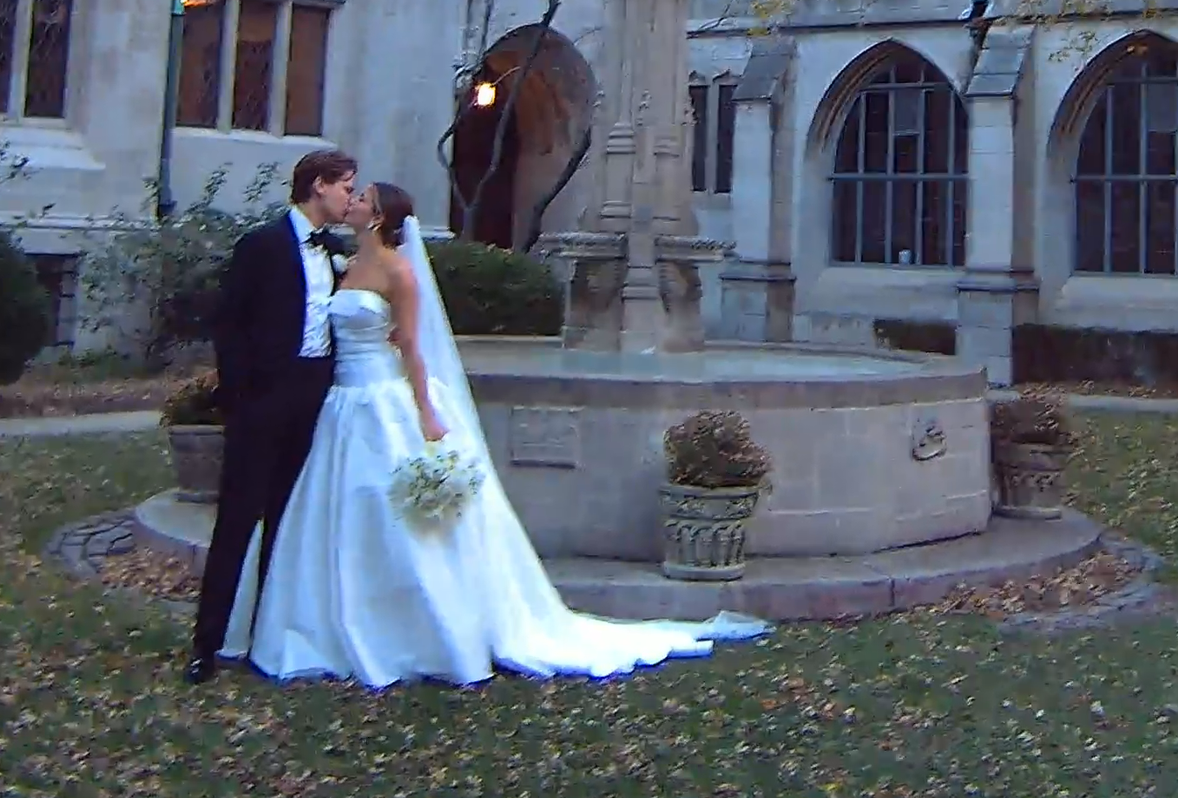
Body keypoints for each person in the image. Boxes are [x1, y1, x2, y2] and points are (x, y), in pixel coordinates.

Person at [220, 181, 767, 687]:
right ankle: (328, 621)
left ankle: (414, 630)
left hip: (381, 402)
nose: (352, 201)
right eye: (352, 192)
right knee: (335, 511)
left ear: (378, 216)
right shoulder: (341, 264)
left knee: (389, 513)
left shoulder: (398, 273)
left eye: (361, 197)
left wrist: (426, 413)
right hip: (339, 403)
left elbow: (411, 347)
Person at [185, 148, 358, 685]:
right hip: (263, 398)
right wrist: (242, 393)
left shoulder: (336, 250)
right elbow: (229, 323)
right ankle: (206, 644)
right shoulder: (262, 245)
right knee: (239, 518)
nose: (350, 197)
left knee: (289, 520)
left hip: (315, 397)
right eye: (346, 187)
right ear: (319, 185)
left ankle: (267, 634)